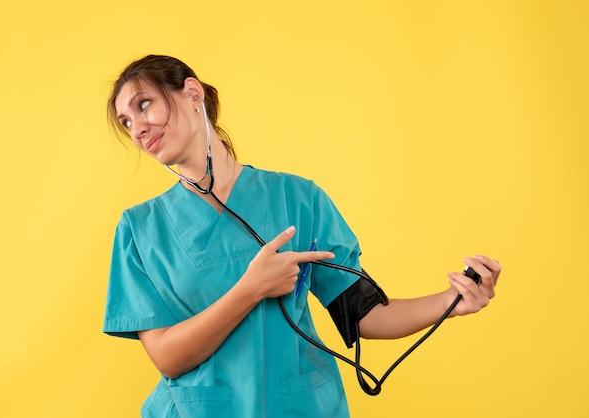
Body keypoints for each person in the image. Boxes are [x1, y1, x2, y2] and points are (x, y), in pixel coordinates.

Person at [103, 54, 501, 418]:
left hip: (299, 406)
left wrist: (451, 301)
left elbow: (361, 314)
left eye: (143, 105)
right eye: (125, 122)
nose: (137, 128)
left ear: (192, 94)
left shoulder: (299, 199)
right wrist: (251, 288)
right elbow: (167, 357)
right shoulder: (139, 229)